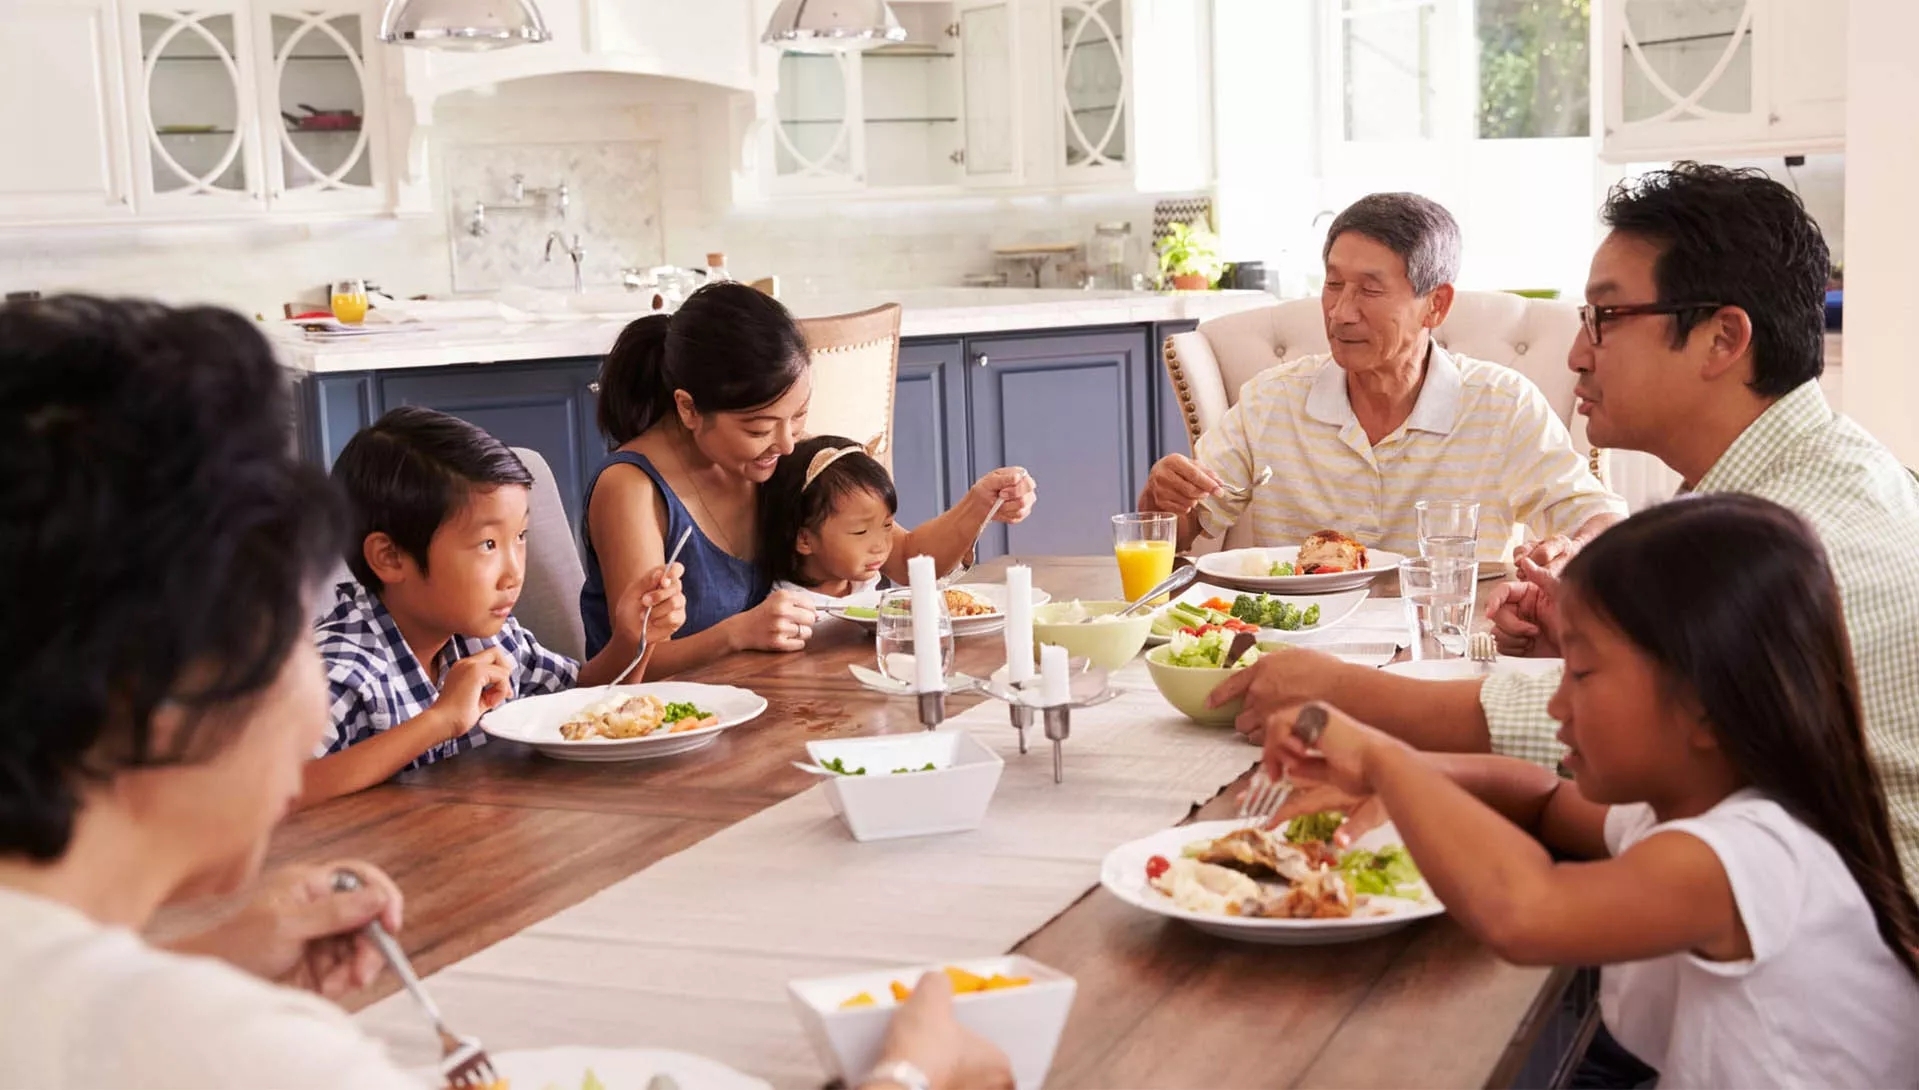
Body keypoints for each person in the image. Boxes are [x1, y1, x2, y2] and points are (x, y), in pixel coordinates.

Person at [0, 295, 1013, 1090]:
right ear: (149, 691)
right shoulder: (233, 1054)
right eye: (275, 629)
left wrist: (221, 952)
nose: (310, 691)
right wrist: (911, 1073)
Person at [1220, 163, 1919, 889]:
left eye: (1605, 318)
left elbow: (1638, 718)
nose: (1578, 353)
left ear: (1721, 339)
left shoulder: (1805, 544)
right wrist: (1588, 647)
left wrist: (1345, 694)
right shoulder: (1811, 477)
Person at [1263, 494, 1919, 1088]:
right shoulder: (1689, 811)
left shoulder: (1749, 853)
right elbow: (1543, 797)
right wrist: (1406, 773)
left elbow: (1526, 912)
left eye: (1578, 672)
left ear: (1704, 708)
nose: (1554, 703)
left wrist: (1381, 759)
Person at [1138, 192, 1623, 566]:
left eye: (1370, 290)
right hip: (1295, 655)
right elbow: (1178, 528)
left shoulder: (1502, 405)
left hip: (1440, 657)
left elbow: (1600, 519)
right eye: (1332, 285)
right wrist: (1161, 501)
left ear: (1436, 304)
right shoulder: (1272, 399)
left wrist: (1569, 551)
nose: (1341, 313)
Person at [582, 283, 1036, 675]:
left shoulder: (784, 459)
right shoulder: (632, 490)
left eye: (797, 416)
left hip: (774, 708)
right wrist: (735, 634)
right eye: (758, 429)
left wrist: (979, 504)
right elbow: (630, 667)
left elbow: (904, 557)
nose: (784, 444)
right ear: (688, 408)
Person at [302, 407, 687, 805]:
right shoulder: (339, 671)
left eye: (520, 536)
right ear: (390, 557)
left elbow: (580, 705)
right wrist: (438, 721)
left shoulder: (491, 638)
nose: (514, 572)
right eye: (488, 544)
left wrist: (631, 639)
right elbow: (266, 796)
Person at [759, 435, 897, 607]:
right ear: (805, 539)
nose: (880, 546)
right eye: (860, 531)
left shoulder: (876, 587)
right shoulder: (786, 608)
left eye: (887, 525)